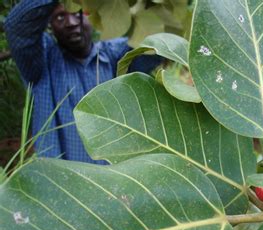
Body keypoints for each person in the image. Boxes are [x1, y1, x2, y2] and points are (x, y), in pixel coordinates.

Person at [5, 0, 158, 163]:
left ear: (93, 17)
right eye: (59, 17)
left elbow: (155, 42)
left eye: (79, 13)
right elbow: (16, 27)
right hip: (65, 184)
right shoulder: (43, 63)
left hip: (117, 181)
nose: (71, 23)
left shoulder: (115, 56)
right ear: (50, 25)